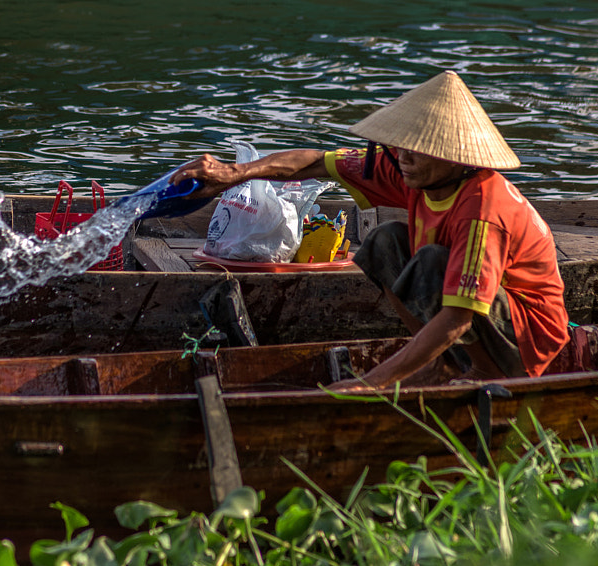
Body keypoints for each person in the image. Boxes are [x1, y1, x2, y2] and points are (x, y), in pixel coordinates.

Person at [172, 71, 568, 390]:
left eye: (418, 149)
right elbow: (314, 162)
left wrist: (372, 383)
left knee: (429, 261)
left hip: (526, 339)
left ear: (454, 158)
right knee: (384, 242)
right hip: (474, 316)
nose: (404, 157)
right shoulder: (410, 170)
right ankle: (446, 364)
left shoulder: (482, 209)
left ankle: (489, 375)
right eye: (401, 146)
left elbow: (459, 319)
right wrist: (234, 174)